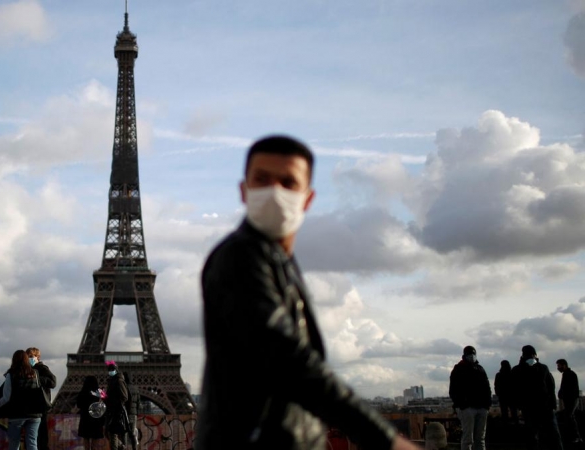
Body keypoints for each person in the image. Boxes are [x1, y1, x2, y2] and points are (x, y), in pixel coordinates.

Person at [196, 135, 417, 450]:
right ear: (244, 191)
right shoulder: (239, 259)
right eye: (262, 180)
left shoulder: (276, 261)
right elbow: (289, 361)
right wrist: (386, 440)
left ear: (308, 198)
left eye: (288, 182)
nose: (274, 192)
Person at [0, 350, 55, 450]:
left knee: (14, 444)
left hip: (17, 414)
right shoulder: (35, 373)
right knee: (32, 443)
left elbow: (6, 397)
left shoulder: (11, 375)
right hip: (35, 413)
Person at [512, 345, 563, 450]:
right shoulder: (541, 368)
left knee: (538, 436)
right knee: (548, 435)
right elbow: (551, 386)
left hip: (537, 407)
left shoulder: (518, 369)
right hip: (538, 407)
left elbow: (550, 385)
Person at [449, 346, 491, 450]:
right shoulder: (471, 369)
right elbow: (454, 390)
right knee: (474, 439)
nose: (472, 357)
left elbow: (487, 388)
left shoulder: (462, 369)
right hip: (472, 407)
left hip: (474, 407)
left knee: (474, 438)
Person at [26, 347, 57, 450]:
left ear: (37, 357)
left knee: (40, 434)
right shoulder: (27, 369)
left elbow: (53, 382)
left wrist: (37, 378)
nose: (29, 358)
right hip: (32, 406)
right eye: (28, 356)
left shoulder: (42, 368)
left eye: (31, 356)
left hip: (40, 406)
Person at [556, 359, 582, 444]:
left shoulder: (569, 374)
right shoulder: (568, 374)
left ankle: (576, 436)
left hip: (572, 399)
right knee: (570, 417)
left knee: (569, 417)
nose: (558, 368)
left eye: (559, 366)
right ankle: (575, 436)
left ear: (564, 365)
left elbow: (570, 388)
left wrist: (562, 394)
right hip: (571, 399)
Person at [104, 361, 128, 450]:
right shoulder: (111, 381)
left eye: (112, 369)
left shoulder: (119, 381)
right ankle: (122, 446)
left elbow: (124, 397)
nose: (110, 371)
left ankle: (120, 447)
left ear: (116, 370)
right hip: (110, 411)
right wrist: (104, 396)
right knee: (108, 433)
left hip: (116, 411)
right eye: (109, 369)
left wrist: (114, 403)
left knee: (112, 433)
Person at [77, 376, 105, 450]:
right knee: (95, 444)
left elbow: (78, 404)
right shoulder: (100, 392)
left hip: (85, 419)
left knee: (86, 440)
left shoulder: (83, 392)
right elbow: (105, 404)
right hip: (96, 420)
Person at [124, 371, 140, 450]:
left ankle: (124, 448)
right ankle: (134, 448)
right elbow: (138, 402)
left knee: (123, 432)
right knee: (132, 433)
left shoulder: (123, 388)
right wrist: (136, 412)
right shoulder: (136, 388)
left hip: (124, 413)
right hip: (133, 414)